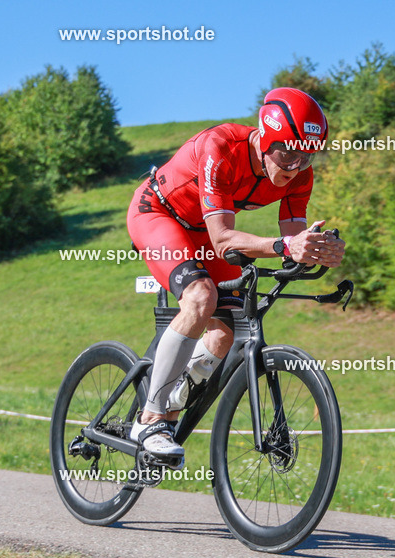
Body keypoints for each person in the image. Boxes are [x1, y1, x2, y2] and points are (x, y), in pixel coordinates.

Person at [126, 87, 346, 466]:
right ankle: (150, 419)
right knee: (200, 297)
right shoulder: (221, 147)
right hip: (158, 214)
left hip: (203, 230)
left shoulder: (300, 175)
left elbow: (292, 240)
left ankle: (172, 403)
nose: (295, 166)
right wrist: (285, 246)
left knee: (227, 331)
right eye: (287, 154)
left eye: (306, 156)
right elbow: (223, 238)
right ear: (265, 140)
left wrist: (315, 250)